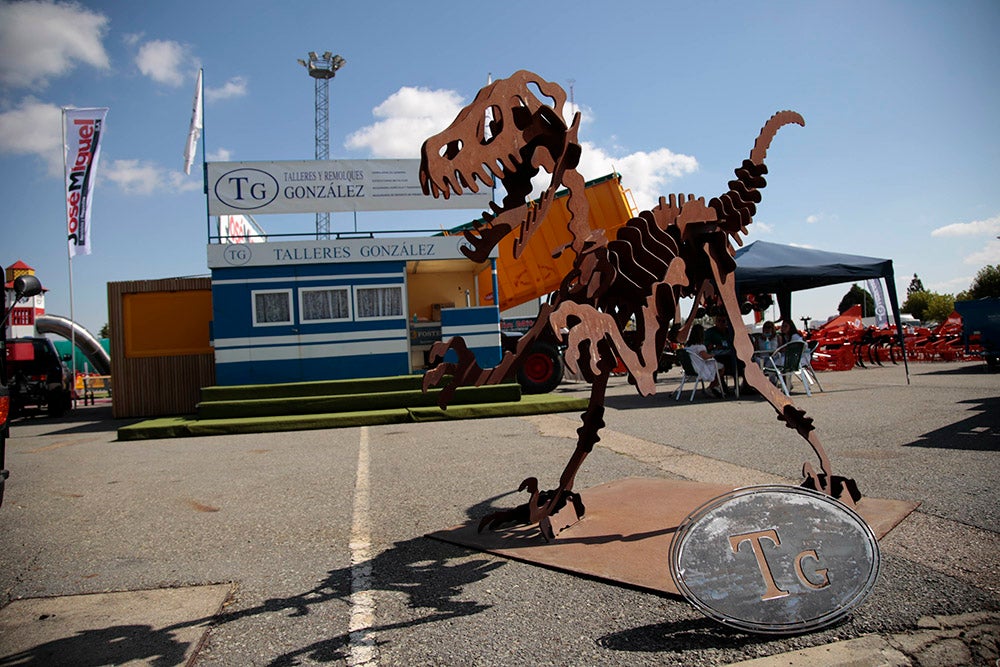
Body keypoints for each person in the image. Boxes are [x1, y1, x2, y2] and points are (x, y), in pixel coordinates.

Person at [685, 323, 726, 398]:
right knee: (722, 367)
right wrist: (712, 355)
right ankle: (712, 386)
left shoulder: (688, 347)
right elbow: (705, 356)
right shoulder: (700, 346)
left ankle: (716, 386)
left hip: (691, 368)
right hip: (700, 368)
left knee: (717, 366)